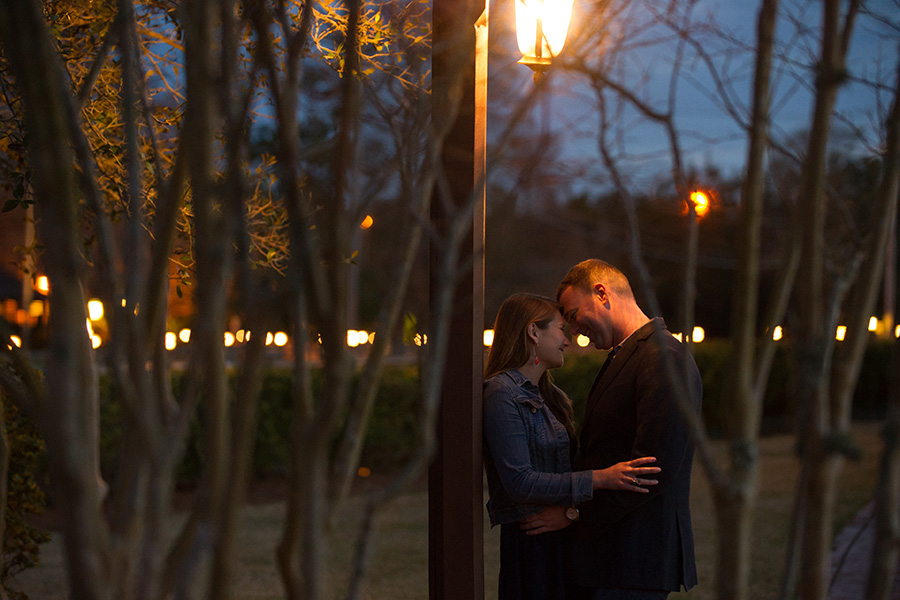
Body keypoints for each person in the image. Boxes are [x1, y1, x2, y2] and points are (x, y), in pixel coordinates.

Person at [521, 259, 701, 599]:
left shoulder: (664, 358)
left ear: (602, 293)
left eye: (573, 315)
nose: (573, 331)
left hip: (633, 560)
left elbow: (651, 471)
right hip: (610, 560)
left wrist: (573, 514)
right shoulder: (628, 356)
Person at [483, 292, 662, 600]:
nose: (567, 340)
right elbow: (519, 481)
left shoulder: (547, 396)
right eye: (561, 330)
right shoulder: (501, 394)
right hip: (533, 541)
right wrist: (600, 478)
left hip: (561, 539)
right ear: (533, 332)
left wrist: (571, 513)